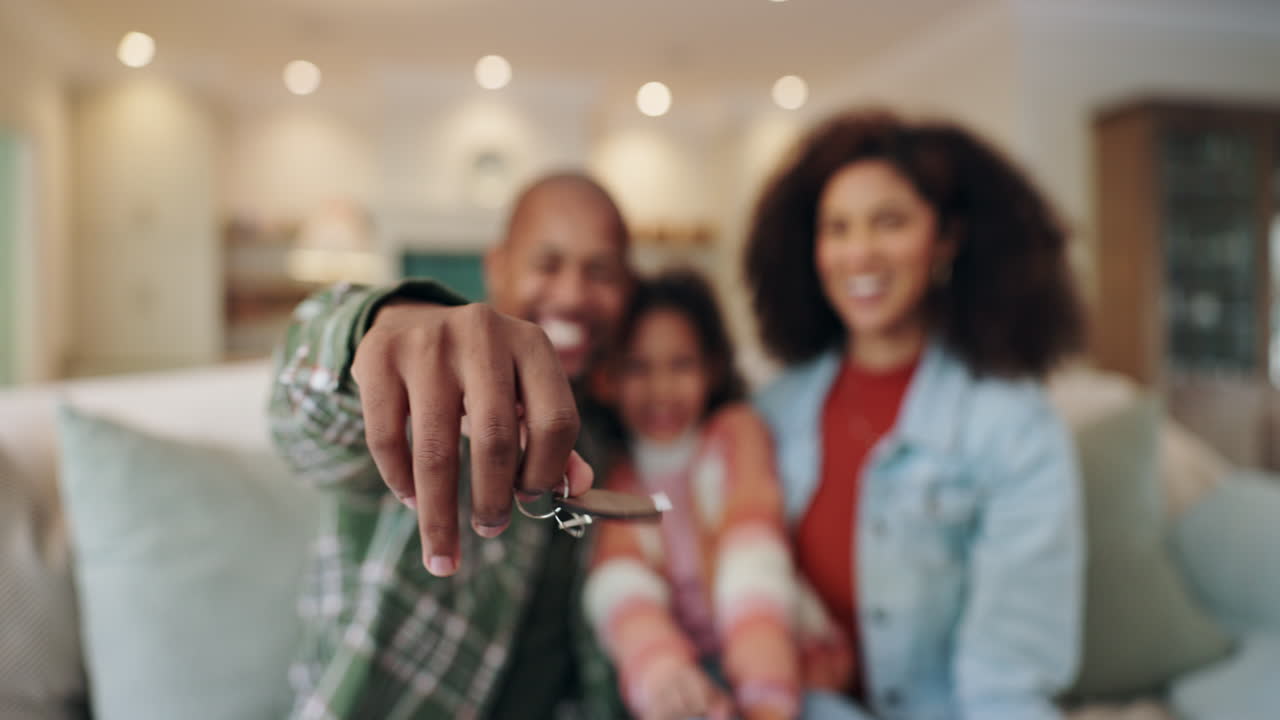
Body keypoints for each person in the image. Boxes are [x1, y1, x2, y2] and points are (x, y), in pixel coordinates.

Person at [746, 110, 1087, 720]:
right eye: (837, 228)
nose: (859, 253)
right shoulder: (770, 413)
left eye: (890, 222)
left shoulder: (1014, 428)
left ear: (947, 240)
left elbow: (1006, 681)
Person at [269, 172, 635, 719]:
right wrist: (377, 326)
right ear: (497, 266)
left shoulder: (611, 443)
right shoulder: (429, 396)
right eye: (547, 264)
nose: (573, 294)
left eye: (600, 271)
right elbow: (303, 418)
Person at [584, 270, 853, 720]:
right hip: (689, 676)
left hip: (785, 661)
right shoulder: (614, 477)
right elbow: (623, 590)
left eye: (680, 364)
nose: (661, 389)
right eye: (638, 367)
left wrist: (766, 697)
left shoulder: (735, 437)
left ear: (712, 367)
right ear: (606, 379)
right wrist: (664, 676)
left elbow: (755, 562)